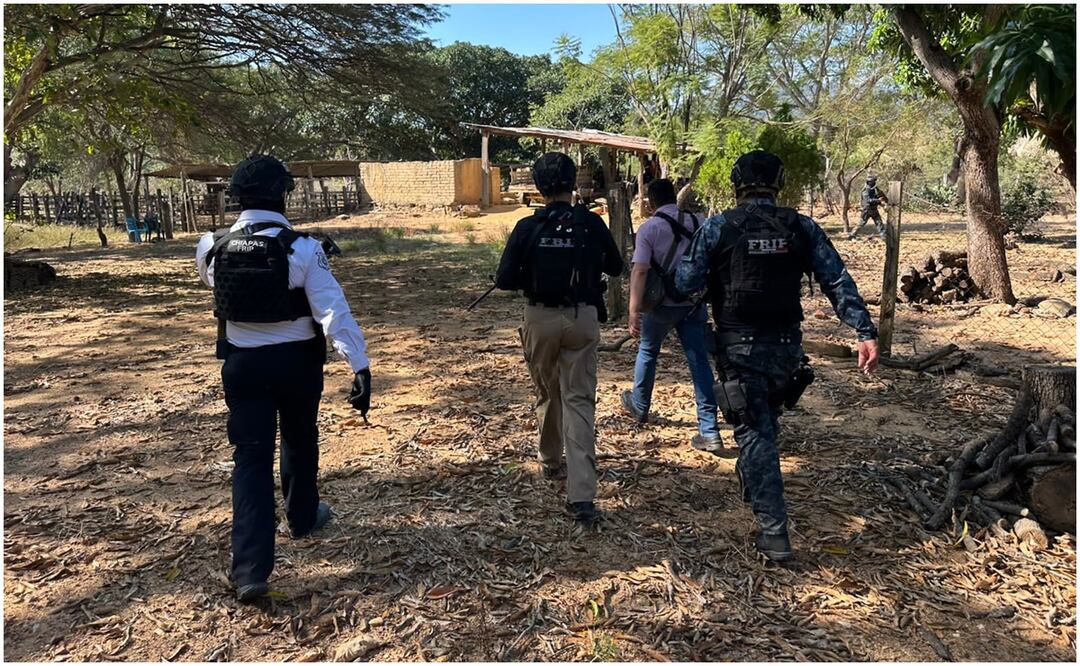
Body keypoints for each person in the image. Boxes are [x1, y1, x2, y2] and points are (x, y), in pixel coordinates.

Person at [675, 150, 879, 561]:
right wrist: (864, 331)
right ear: (778, 184)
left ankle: (774, 533)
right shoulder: (800, 227)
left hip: (739, 347)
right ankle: (752, 478)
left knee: (755, 433)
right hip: (787, 350)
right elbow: (836, 279)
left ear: (737, 185)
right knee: (764, 421)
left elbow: (684, 282)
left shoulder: (718, 229)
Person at [195, 154, 372, 601]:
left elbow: (215, 289)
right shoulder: (303, 248)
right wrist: (359, 364)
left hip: (242, 364)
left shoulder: (210, 246)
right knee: (298, 437)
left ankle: (251, 569)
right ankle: (303, 515)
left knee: (250, 459)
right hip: (297, 363)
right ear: (283, 194)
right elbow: (333, 311)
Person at [495, 152, 624, 525]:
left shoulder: (527, 227)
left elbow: (504, 280)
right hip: (582, 318)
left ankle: (550, 461)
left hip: (540, 319)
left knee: (547, 391)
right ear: (573, 184)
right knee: (579, 399)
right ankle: (582, 495)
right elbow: (616, 267)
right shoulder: (592, 224)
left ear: (538, 186)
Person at [621, 178, 722, 454]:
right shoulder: (698, 221)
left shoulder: (649, 229)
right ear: (674, 198)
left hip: (660, 304)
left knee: (648, 350)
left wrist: (633, 311)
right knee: (699, 360)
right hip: (692, 302)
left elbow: (640, 270)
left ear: (650, 202)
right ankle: (709, 429)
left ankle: (640, 405)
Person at [849, 175, 889, 240]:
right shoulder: (866, 190)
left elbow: (875, 198)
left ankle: (883, 236)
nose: (875, 182)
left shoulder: (873, 189)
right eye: (873, 181)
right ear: (870, 182)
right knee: (861, 223)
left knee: (879, 223)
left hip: (874, 209)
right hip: (867, 210)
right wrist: (878, 200)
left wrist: (880, 201)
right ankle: (852, 235)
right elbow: (868, 200)